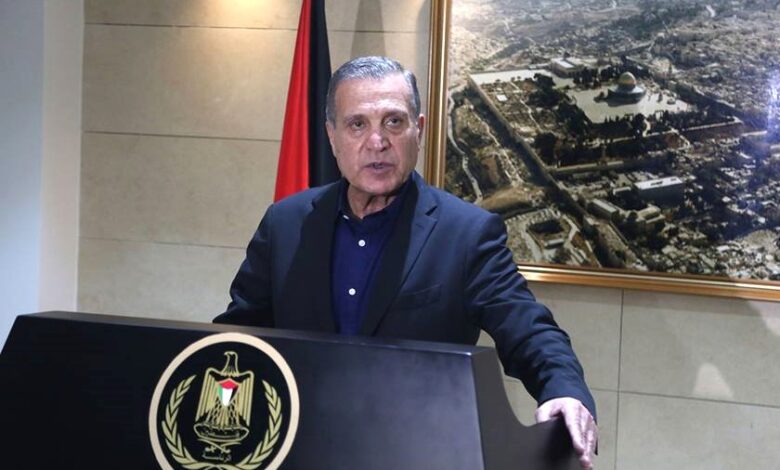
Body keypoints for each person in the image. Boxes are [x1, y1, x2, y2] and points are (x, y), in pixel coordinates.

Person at [215, 56, 598, 469]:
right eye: (357, 124)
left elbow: (529, 329)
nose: (376, 142)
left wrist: (564, 390)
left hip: (419, 454)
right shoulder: (285, 223)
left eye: (393, 122)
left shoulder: (467, 234)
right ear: (331, 136)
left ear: (419, 129)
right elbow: (237, 338)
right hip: (298, 452)